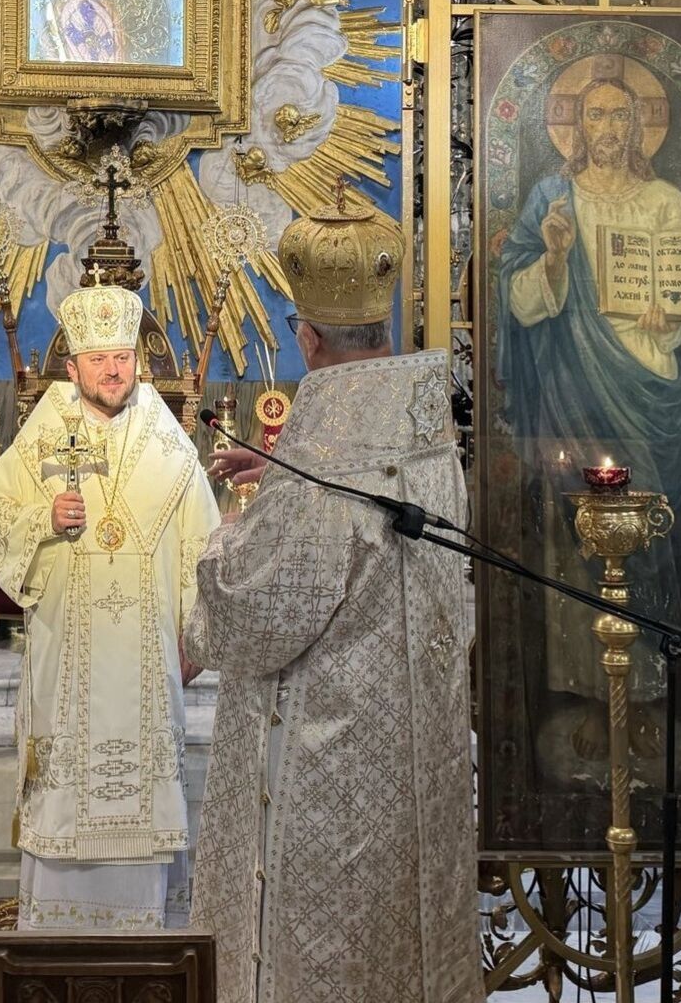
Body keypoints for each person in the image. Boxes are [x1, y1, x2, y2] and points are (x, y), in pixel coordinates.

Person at [189, 201, 478, 1003]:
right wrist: (283, 483)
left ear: (307, 337)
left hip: (333, 760)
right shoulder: (424, 432)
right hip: (416, 747)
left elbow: (254, 614)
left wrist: (226, 531)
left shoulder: (324, 460)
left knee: (328, 952)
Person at [0, 281, 220, 930]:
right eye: (100, 358)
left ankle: (148, 939)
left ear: (139, 361)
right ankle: (59, 934)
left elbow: (205, 547)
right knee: (65, 798)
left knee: (148, 810)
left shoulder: (173, 450)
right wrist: (44, 516)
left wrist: (199, 637)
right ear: (73, 366)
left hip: (147, 665)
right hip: (67, 655)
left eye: (124, 357)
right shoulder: (44, 436)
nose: (113, 369)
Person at [498, 59, 681, 774]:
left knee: (647, 536)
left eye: (620, 116)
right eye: (594, 116)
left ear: (639, 125)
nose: (608, 129)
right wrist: (554, 259)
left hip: (644, 387)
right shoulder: (553, 198)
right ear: (575, 128)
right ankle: (591, 699)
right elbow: (517, 301)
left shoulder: (665, 202)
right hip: (573, 394)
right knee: (577, 544)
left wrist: (667, 317)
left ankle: (645, 700)